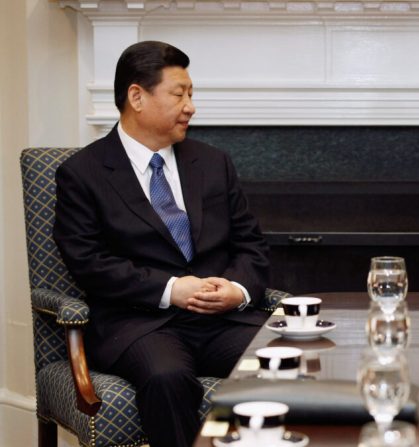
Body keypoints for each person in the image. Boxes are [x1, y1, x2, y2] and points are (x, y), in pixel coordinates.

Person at [54, 41, 271, 447]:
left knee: (282, 361)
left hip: (220, 321)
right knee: (166, 377)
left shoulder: (212, 163)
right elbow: (88, 263)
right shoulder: (82, 173)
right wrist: (172, 290)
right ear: (137, 96)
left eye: (191, 94)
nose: (191, 106)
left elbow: (251, 245)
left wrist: (236, 290)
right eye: (179, 94)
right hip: (140, 324)